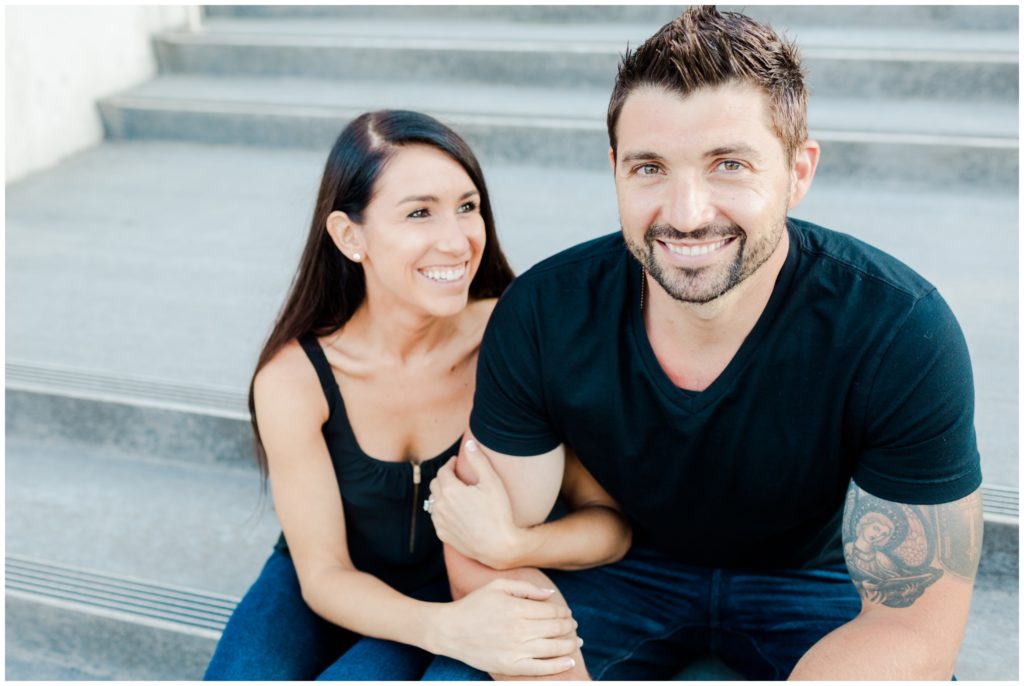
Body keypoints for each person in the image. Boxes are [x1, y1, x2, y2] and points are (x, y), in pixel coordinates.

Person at [432, 6, 983, 680]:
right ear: (614, 169)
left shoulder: (899, 331)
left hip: (815, 583)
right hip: (623, 574)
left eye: (728, 164)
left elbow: (912, 625)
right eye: (649, 168)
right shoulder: (544, 313)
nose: (687, 213)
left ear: (798, 171)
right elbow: (481, 543)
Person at [203, 110, 630, 680]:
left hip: (471, 582)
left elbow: (611, 527)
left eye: (467, 206)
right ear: (349, 236)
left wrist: (510, 546)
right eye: (419, 213)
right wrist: (442, 627)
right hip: (334, 582)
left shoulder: (516, 341)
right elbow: (324, 574)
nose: (455, 240)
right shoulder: (294, 379)